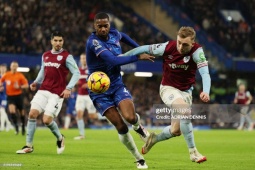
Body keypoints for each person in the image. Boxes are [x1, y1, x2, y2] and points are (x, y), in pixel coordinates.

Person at [122, 26, 210, 163]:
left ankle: (153, 139)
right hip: (168, 88)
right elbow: (143, 48)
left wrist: (206, 90)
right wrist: (121, 57)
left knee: (176, 130)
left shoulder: (197, 52)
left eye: (185, 44)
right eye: (179, 42)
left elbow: (205, 73)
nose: (180, 46)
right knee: (185, 112)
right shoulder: (167, 47)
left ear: (192, 43)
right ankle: (193, 152)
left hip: (186, 92)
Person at [86, 12, 155, 169]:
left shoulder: (114, 34)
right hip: (99, 91)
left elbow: (123, 36)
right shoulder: (93, 42)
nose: (103, 29)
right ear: (94, 26)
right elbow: (113, 60)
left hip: (116, 84)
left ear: (109, 25)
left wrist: (139, 48)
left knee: (130, 118)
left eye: (106, 25)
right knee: (121, 127)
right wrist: (138, 56)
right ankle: (139, 158)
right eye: (100, 26)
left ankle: (139, 128)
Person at [16, 31, 80, 154]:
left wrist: (69, 88)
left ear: (63, 41)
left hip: (57, 93)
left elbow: (76, 73)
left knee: (46, 120)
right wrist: (36, 82)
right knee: (32, 114)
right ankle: (28, 145)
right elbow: (43, 70)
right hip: (43, 89)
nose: (58, 43)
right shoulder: (45, 55)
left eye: (60, 40)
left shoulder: (67, 56)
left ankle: (60, 138)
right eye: (55, 40)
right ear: (51, 41)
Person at [73, 53, 98, 140]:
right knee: (79, 114)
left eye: (84, 58)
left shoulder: (91, 70)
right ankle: (82, 135)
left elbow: (97, 82)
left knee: (92, 116)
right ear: (80, 60)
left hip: (89, 96)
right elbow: (76, 81)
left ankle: (106, 116)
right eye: (82, 58)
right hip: (80, 96)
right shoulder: (78, 70)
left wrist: (88, 85)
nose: (83, 60)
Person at [0, 61, 29, 135]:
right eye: (13, 66)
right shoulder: (7, 75)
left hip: (18, 96)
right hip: (10, 96)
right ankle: (16, 126)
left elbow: (26, 85)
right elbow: (1, 80)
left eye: (16, 66)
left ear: (17, 67)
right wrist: (1, 86)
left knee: (21, 113)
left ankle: (22, 126)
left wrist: (19, 87)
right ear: (10, 67)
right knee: (12, 111)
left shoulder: (20, 75)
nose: (14, 67)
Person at [0, 64, 12, 132]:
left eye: (3, 68)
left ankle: (2, 126)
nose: (2, 69)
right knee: (2, 111)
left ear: (6, 69)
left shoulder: (8, 77)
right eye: (1, 68)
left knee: (2, 110)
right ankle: (8, 124)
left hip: (5, 96)